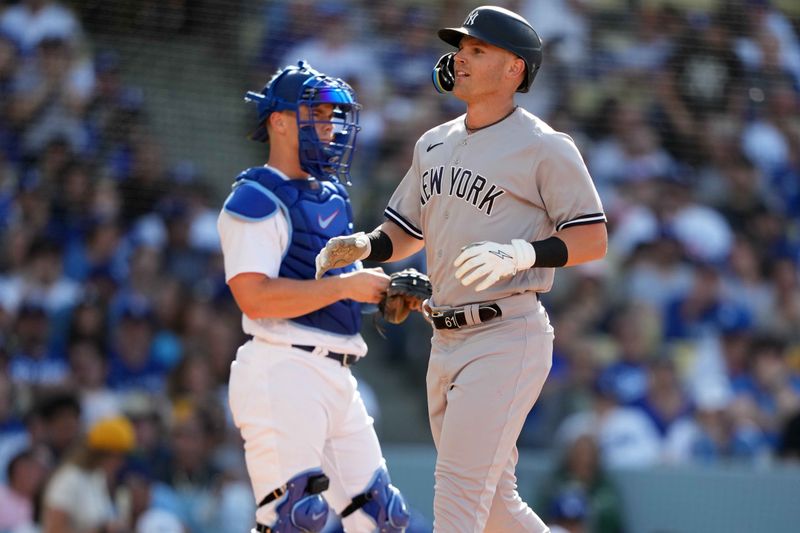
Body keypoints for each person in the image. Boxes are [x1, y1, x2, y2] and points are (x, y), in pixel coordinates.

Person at [315, 6, 608, 531]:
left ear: (514, 69)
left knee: (458, 493)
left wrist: (525, 252)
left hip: (506, 332)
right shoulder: (434, 142)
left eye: (477, 50)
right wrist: (363, 245)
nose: (461, 58)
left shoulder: (544, 146)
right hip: (445, 335)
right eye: (461, 49)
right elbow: (404, 231)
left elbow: (592, 236)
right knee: (495, 505)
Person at [217, 60, 410, 533]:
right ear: (279, 122)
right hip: (282, 368)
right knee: (294, 519)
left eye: (332, 117)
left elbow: (336, 283)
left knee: (382, 517)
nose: (329, 127)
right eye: (317, 115)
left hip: (338, 374)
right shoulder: (255, 198)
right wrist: (346, 286)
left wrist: (384, 294)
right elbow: (254, 297)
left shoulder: (331, 195)